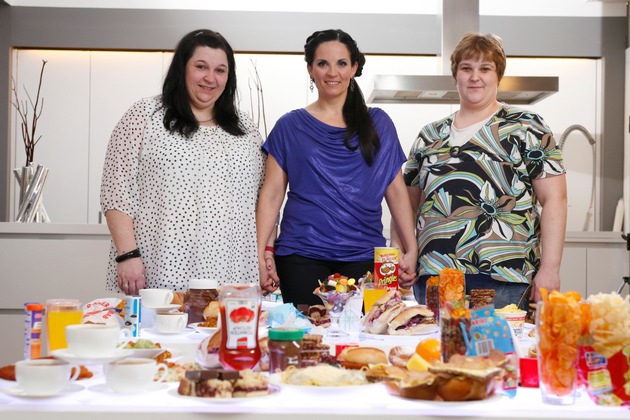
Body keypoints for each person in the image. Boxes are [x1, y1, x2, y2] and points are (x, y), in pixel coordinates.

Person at [393, 32, 567, 311]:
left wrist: (550, 268)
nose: (475, 77)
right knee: (437, 354)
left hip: (504, 277)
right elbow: (406, 204)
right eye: (466, 68)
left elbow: (555, 199)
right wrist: (401, 253)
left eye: (485, 68)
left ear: (498, 76)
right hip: (435, 276)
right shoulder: (430, 135)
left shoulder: (528, 127)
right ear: (455, 76)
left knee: (495, 354)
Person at [256, 29, 418, 307]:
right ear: (310, 69)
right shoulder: (289, 126)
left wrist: (410, 248)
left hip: (366, 256)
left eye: (342, 63)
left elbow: (396, 191)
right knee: (309, 340)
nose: (333, 72)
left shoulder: (379, 123)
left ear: (354, 68)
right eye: (323, 63)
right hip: (300, 256)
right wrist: (260, 255)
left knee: (367, 339)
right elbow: (271, 196)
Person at [100, 29, 268, 296]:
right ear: (182, 69)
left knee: (225, 337)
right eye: (201, 67)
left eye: (220, 70)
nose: (210, 78)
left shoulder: (245, 128)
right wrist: (127, 255)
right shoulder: (144, 116)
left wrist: (265, 257)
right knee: (157, 338)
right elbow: (116, 193)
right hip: (160, 270)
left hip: (233, 273)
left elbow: (264, 200)